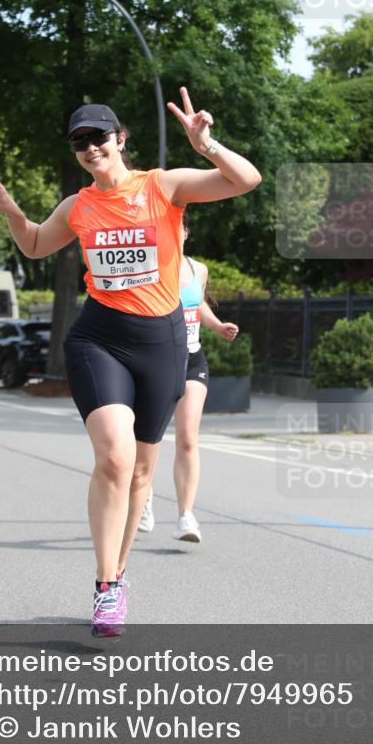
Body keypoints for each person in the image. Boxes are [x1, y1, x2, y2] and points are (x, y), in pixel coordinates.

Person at [0, 87, 261, 637]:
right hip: (99, 337)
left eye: (98, 137)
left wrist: (207, 145)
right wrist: (14, 212)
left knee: (140, 474)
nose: (89, 148)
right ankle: (106, 586)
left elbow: (245, 180)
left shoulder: (163, 185)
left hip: (162, 344)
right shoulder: (78, 206)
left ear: (120, 139)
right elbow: (36, 245)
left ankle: (120, 571)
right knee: (114, 456)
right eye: (78, 141)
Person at [138, 211, 239, 542]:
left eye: (176, 229)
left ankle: (185, 516)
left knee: (188, 437)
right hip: (156, 360)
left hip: (192, 358)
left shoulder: (199, 269)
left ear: (184, 233)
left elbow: (199, 305)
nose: (171, 233)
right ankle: (145, 500)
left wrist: (217, 325)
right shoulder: (149, 268)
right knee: (147, 439)